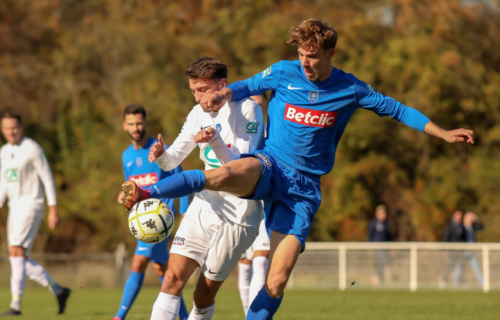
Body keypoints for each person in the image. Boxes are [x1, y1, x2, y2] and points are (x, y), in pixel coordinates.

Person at [124, 18, 474, 319]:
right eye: (302, 55)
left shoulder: (350, 88)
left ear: (331, 54)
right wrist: (222, 95)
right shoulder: (283, 71)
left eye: (313, 57)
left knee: (276, 280)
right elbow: (246, 86)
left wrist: (441, 132)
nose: (306, 63)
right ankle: (147, 192)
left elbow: (397, 109)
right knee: (224, 175)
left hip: (302, 190)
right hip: (270, 164)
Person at [122, 57, 264, 320]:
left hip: (239, 213)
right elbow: (174, 157)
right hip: (205, 203)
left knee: (202, 296)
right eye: (193, 92)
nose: (198, 98)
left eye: (203, 90)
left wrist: (216, 141)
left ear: (222, 85)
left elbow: (240, 171)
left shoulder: (248, 109)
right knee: (172, 279)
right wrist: (162, 154)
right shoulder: (197, 113)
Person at [113, 104, 190, 320]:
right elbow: (132, 187)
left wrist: (184, 212)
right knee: (162, 271)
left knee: (138, 262)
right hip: (142, 217)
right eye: (131, 124)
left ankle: (119, 316)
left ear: (146, 123)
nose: (136, 127)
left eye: (139, 123)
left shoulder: (157, 150)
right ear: (124, 126)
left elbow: (181, 178)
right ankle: (184, 316)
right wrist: (124, 196)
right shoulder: (126, 156)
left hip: (160, 217)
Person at [0, 112, 71, 316]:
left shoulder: (32, 148)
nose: (11, 131)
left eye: (15, 127)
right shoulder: (4, 152)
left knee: (16, 253)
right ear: (2, 130)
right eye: (7, 128)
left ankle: (15, 305)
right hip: (15, 208)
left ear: (21, 127)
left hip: (32, 204)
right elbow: (4, 183)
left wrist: (53, 208)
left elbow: (47, 178)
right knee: (19, 257)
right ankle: (59, 290)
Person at [238, 94, 270, 316]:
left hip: (265, 202)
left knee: (261, 260)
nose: (255, 109)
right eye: (252, 104)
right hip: (239, 202)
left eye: (259, 105)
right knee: (244, 263)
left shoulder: (274, 132)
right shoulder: (239, 130)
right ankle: (246, 313)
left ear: (266, 105)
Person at [367, 204, 393, 286]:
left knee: (383, 263)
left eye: (384, 213)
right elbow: (370, 236)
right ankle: (376, 277)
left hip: (384, 248)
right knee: (380, 262)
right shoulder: (373, 224)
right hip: (376, 247)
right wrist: (370, 247)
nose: (383, 215)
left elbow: (389, 237)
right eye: (381, 213)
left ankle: (378, 278)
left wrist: (392, 248)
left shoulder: (387, 224)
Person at [440, 210, 466, 287]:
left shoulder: (462, 227)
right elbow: (446, 238)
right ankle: (444, 280)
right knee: (452, 265)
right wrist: (445, 249)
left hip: (460, 250)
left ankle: (459, 282)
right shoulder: (450, 226)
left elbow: (463, 239)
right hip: (452, 250)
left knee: (461, 265)